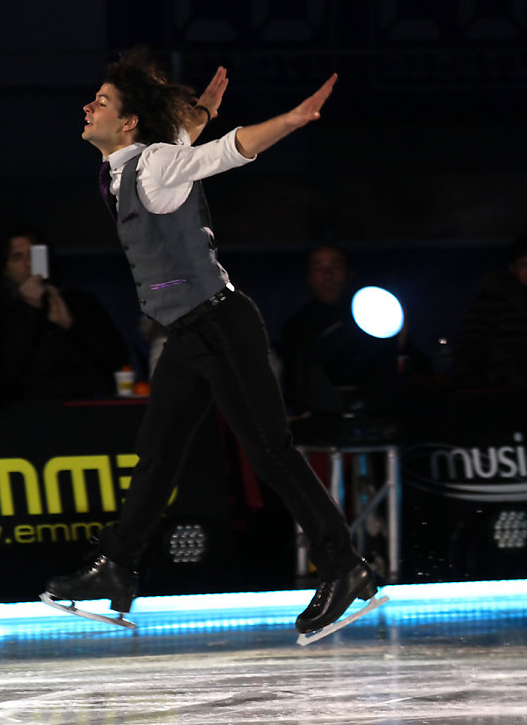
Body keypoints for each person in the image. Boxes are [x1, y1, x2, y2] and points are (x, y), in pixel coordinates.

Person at [45, 49, 378, 636]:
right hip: (187, 333)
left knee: (270, 450)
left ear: (126, 122)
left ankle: (345, 567)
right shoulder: (132, 162)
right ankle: (116, 570)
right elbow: (188, 131)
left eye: (100, 101)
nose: (87, 106)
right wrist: (200, 110)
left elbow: (229, 149)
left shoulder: (152, 166)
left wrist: (291, 120)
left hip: (220, 325)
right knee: (159, 451)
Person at [0, 228, 128, 399]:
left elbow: (116, 357)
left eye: (34, 254)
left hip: (85, 402)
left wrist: (71, 326)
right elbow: (3, 372)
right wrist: (30, 309)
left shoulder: (79, 302)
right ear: (5, 268)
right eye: (17, 257)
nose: (28, 264)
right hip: (27, 408)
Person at [282, 243, 400, 420]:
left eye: (335, 266)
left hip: (377, 414)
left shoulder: (376, 314)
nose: (327, 275)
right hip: (319, 421)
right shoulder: (298, 326)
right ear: (310, 277)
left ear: (349, 273)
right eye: (318, 267)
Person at [453, 232, 527, 390]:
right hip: (506, 396)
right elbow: (470, 349)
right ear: (513, 269)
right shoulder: (493, 302)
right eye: (524, 264)